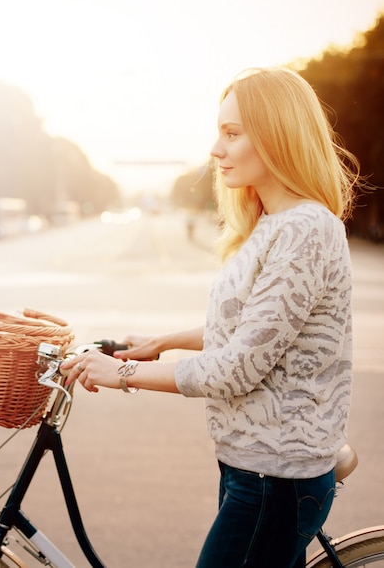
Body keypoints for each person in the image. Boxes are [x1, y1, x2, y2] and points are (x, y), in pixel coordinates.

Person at [62, 67, 360, 568]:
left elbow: (237, 368)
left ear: (276, 136)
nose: (216, 149)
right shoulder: (273, 223)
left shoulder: (306, 228)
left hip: (276, 478)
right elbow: (259, 332)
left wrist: (122, 375)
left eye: (232, 133)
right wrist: (163, 340)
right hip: (253, 469)